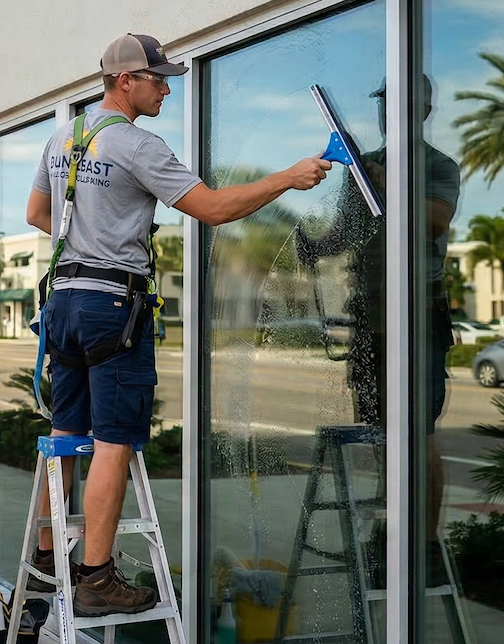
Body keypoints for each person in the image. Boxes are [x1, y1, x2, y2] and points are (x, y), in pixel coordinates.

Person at [25, 33, 330, 616]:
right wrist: (287, 177)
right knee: (114, 441)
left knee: (66, 436)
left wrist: (90, 241)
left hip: (62, 301)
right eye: (157, 78)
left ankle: (45, 559)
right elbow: (213, 209)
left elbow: (38, 215)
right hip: (112, 308)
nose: (167, 87)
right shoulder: (139, 146)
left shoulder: (63, 136)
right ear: (124, 81)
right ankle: (94, 578)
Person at [295, 74, 459, 584]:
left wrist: (387, 182)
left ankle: (425, 544)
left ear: (424, 110)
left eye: (398, 103)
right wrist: (317, 245)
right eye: (385, 103)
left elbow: (435, 219)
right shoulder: (369, 167)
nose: (388, 112)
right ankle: (395, 529)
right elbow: (351, 229)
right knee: (384, 431)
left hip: (418, 314)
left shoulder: (436, 165)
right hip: (373, 315)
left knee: (418, 430)